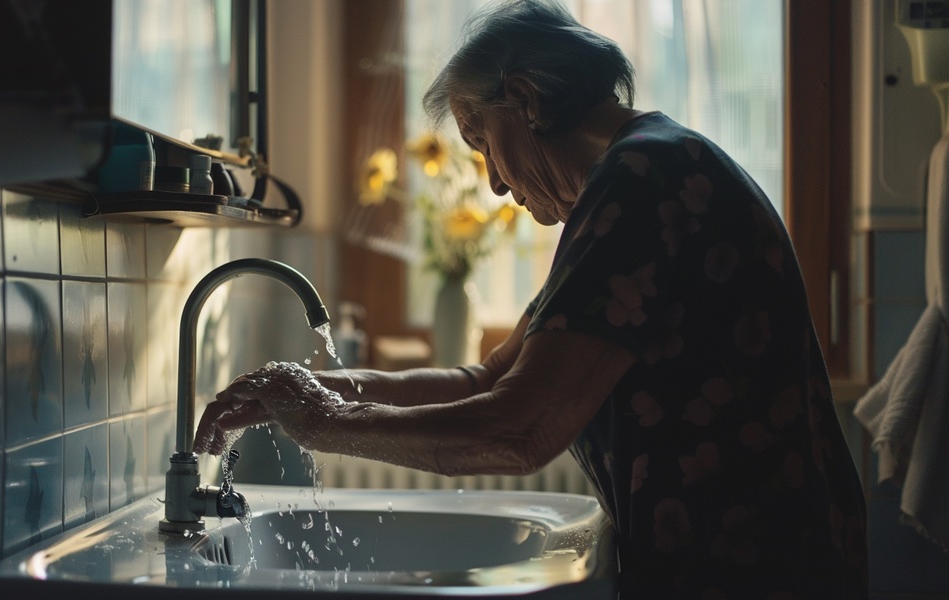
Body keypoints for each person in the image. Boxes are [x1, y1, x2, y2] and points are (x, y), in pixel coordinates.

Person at [194, 0, 869, 596]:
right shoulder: (642, 172)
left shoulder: (642, 180)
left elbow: (520, 428)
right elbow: (487, 377)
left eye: (482, 141)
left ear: (527, 100)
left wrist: (324, 423)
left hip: (748, 571)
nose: (491, 183)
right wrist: (320, 389)